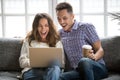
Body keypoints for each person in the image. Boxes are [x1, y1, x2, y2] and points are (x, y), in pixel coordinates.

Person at [55, 2, 108, 80]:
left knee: (84, 61)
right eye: (59, 19)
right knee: (59, 77)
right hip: (77, 71)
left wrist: (94, 57)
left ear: (72, 16)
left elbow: (100, 50)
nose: (61, 22)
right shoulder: (60, 33)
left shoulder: (86, 27)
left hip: (96, 68)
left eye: (64, 18)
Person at [19, 13, 64, 80]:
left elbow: (62, 62)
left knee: (54, 69)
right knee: (54, 76)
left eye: (46, 25)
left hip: (51, 71)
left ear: (50, 27)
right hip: (32, 72)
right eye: (40, 26)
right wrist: (35, 62)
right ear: (36, 27)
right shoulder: (28, 41)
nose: (43, 29)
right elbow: (22, 62)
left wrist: (50, 64)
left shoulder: (56, 42)